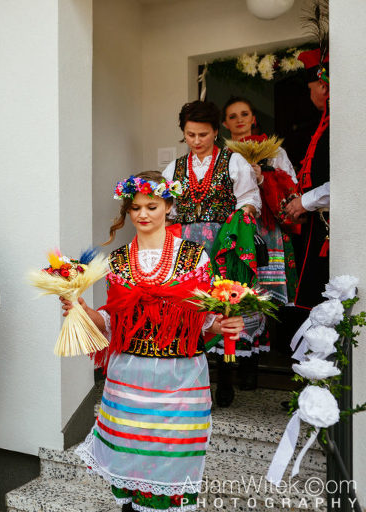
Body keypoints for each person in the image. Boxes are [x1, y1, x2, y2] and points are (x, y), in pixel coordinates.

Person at [66, 171, 244, 512]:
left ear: (168, 206)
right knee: (130, 462)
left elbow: (205, 316)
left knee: (173, 461)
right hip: (130, 377)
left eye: (152, 206)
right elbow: (112, 321)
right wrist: (83, 310)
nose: (143, 214)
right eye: (135, 208)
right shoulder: (117, 261)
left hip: (181, 376)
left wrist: (225, 324)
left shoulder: (195, 256)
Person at [163, 100, 262, 408]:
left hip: (222, 244)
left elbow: (249, 198)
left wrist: (242, 215)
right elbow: (168, 210)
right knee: (190, 306)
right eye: (190, 134)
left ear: (216, 131)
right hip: (187, 247)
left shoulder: (234, 161)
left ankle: (226, 376)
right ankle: (193, 376)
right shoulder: (174, 168)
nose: (196, 141)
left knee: (224, 306)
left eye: (203, 134)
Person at [221, 96, 299, 386]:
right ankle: (230, 367)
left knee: (262, 297)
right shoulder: (222, 155)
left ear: (254, 118)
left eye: (244, 114)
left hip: (267, 232)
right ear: (225, 124)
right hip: (235, 231)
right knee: (234, 295)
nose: (239, 120)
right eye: (232, 116)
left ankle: (254, 365)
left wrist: (264, 177)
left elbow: (292, 189)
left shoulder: (274, 151)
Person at [284, 48, 330, 312]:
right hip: (317, 223)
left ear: (322, 86)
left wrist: (305, 201)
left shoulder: (339, 125)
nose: (310, 95)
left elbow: (348, 182)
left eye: (310, 88)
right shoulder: (325, 123)